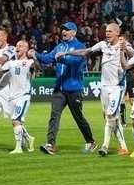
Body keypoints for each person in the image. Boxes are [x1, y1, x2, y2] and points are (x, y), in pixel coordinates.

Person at [64, 22, 132, 157]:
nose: (107, 33)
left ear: (117, 33)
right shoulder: (102, 45)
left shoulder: (123, 44)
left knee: (110, 116)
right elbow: (85, 51)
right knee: (113, 118)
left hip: (117, 87)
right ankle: (123, 147)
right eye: (106, 31)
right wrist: (67, 52)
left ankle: (104, 146)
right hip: (104, 87)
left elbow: (133, 54)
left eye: (110, 31)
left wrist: (126, 50)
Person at [31, 22, 97, 154]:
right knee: (54, 115)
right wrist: (35, 54)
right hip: (59, 89)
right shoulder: (59, 46)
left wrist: (61, 58)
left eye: (66, 30)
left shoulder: (80, 47)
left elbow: (75, 62)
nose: (63, 32)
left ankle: (91, 142)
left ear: (73, 32)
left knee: (78, 118)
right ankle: (51, 144)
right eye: (62, 29)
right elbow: (48, 59)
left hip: (74, 89)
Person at [0, 40, 37, 154]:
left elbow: (38, 67)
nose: (17, 47)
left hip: (23, 95)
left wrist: (35, 57)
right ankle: (28, 138)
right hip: (12, 97)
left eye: (20, 46)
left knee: (15, 120)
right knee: (18, 122)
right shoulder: (11, 63)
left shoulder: (29, 62)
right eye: (16, 46)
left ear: (26, 50)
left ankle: (18, 148)